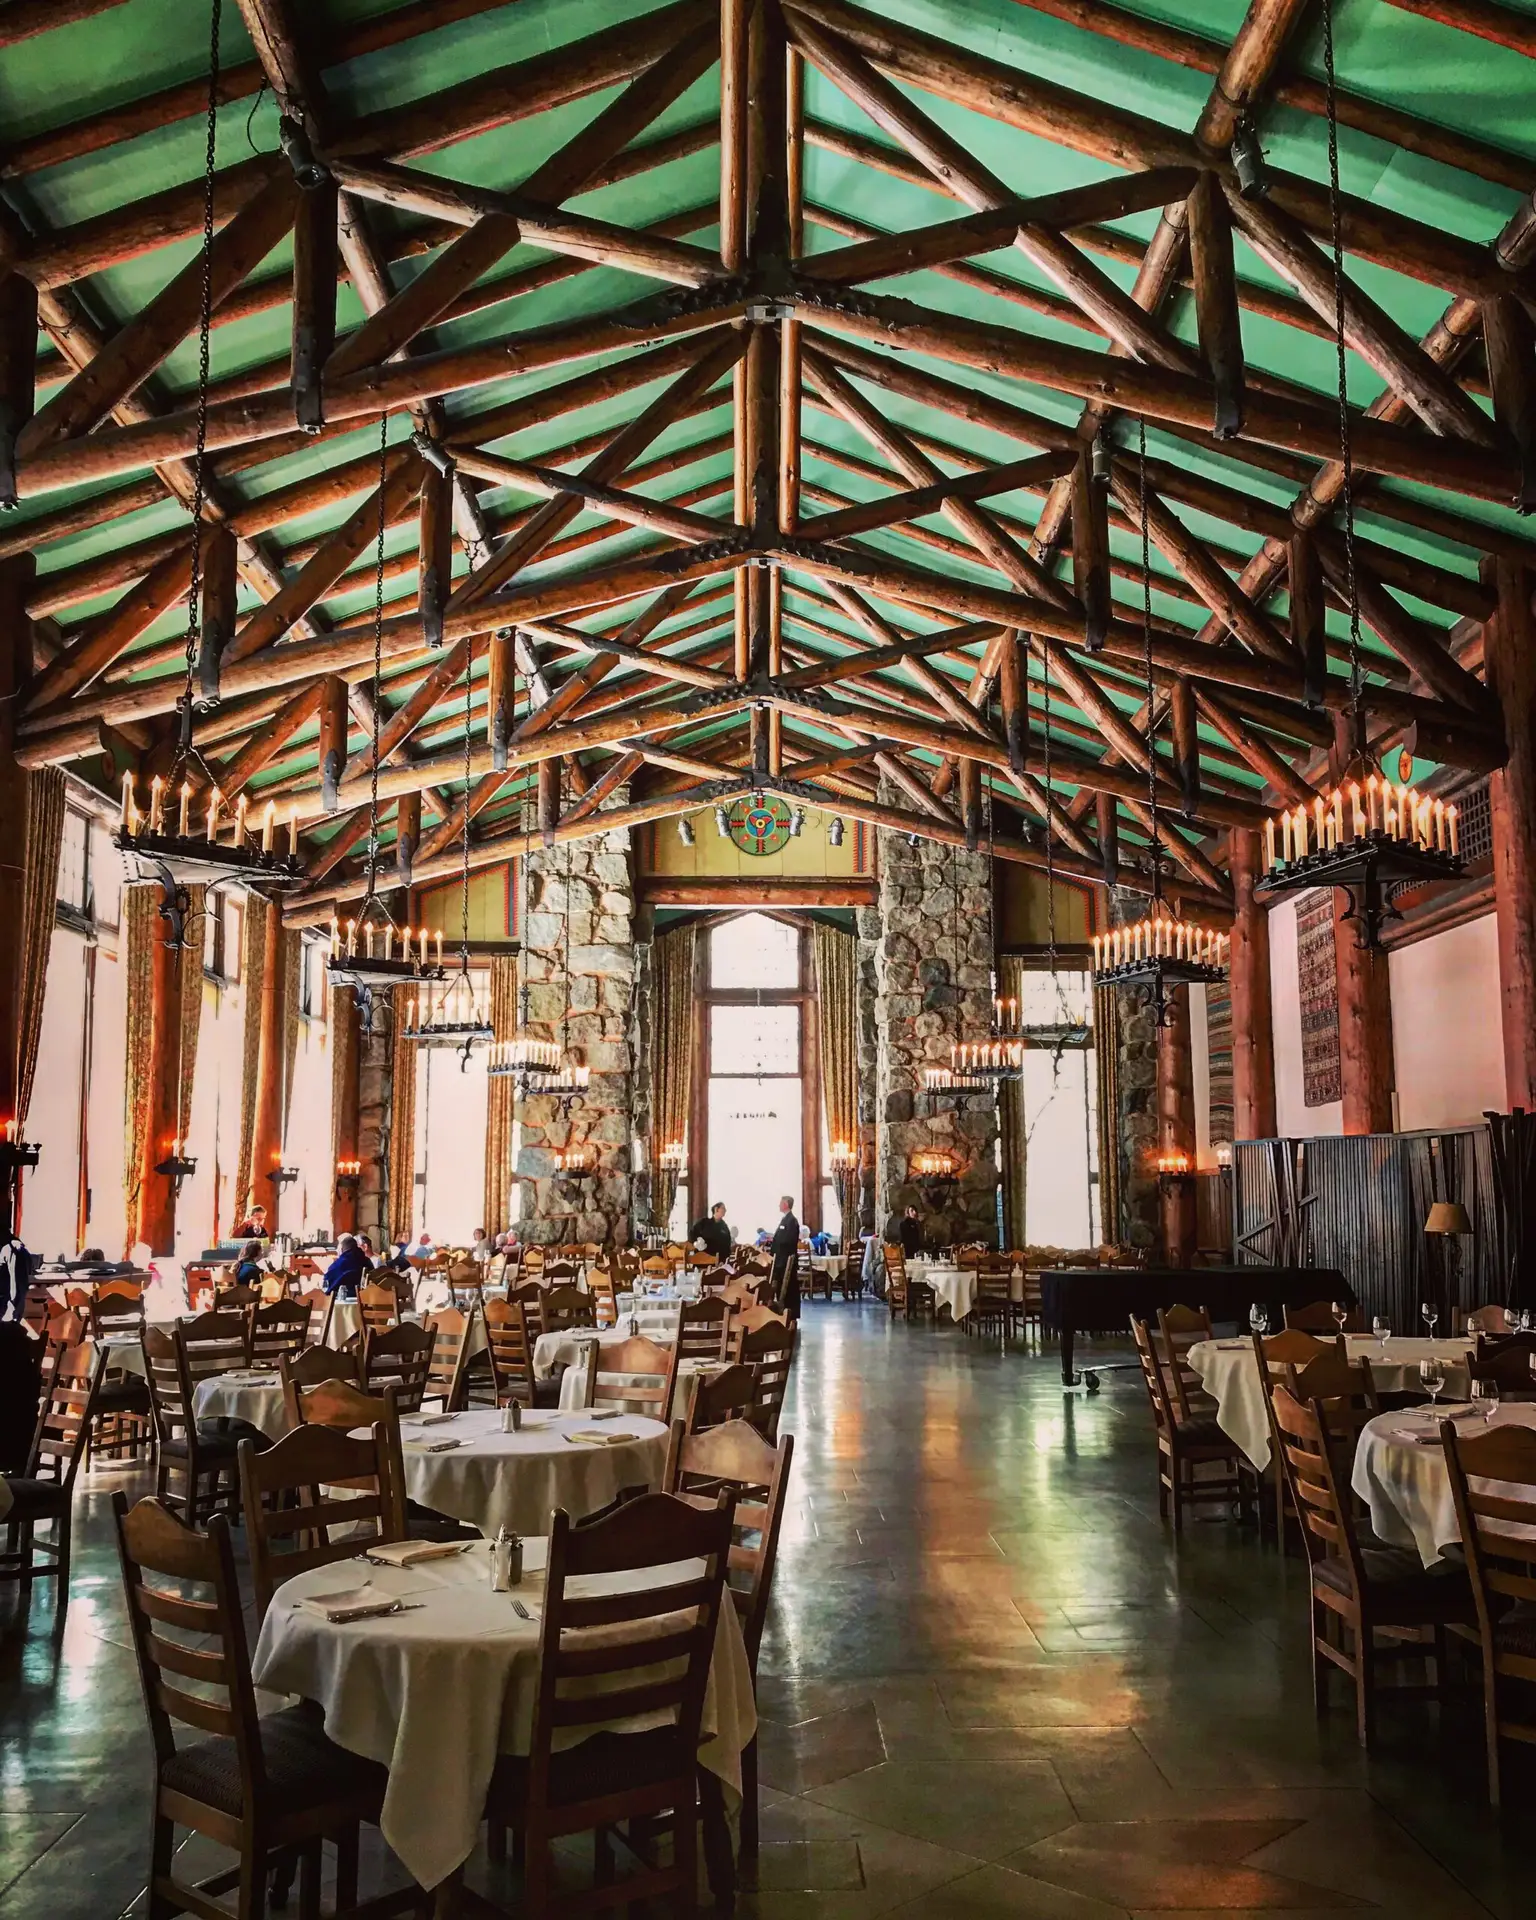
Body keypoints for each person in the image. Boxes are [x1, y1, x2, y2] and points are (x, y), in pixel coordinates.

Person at [769, 1195, 801, 1320]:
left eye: (781, 1202)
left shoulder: (791, 1221)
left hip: (785, 1260)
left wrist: (776, 1241)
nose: (779, 1205)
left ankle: (789, 1313)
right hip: (780, 1260)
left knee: (788, 1288)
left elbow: (788, 1240)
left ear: (786, 1204)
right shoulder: (785, 1220)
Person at [323, 1233, 369, 1298]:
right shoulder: (367, 1261)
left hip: (341, 1299)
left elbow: (327, 1286)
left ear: (341, 1249)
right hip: (365, 1300)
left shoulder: (338, 1264)